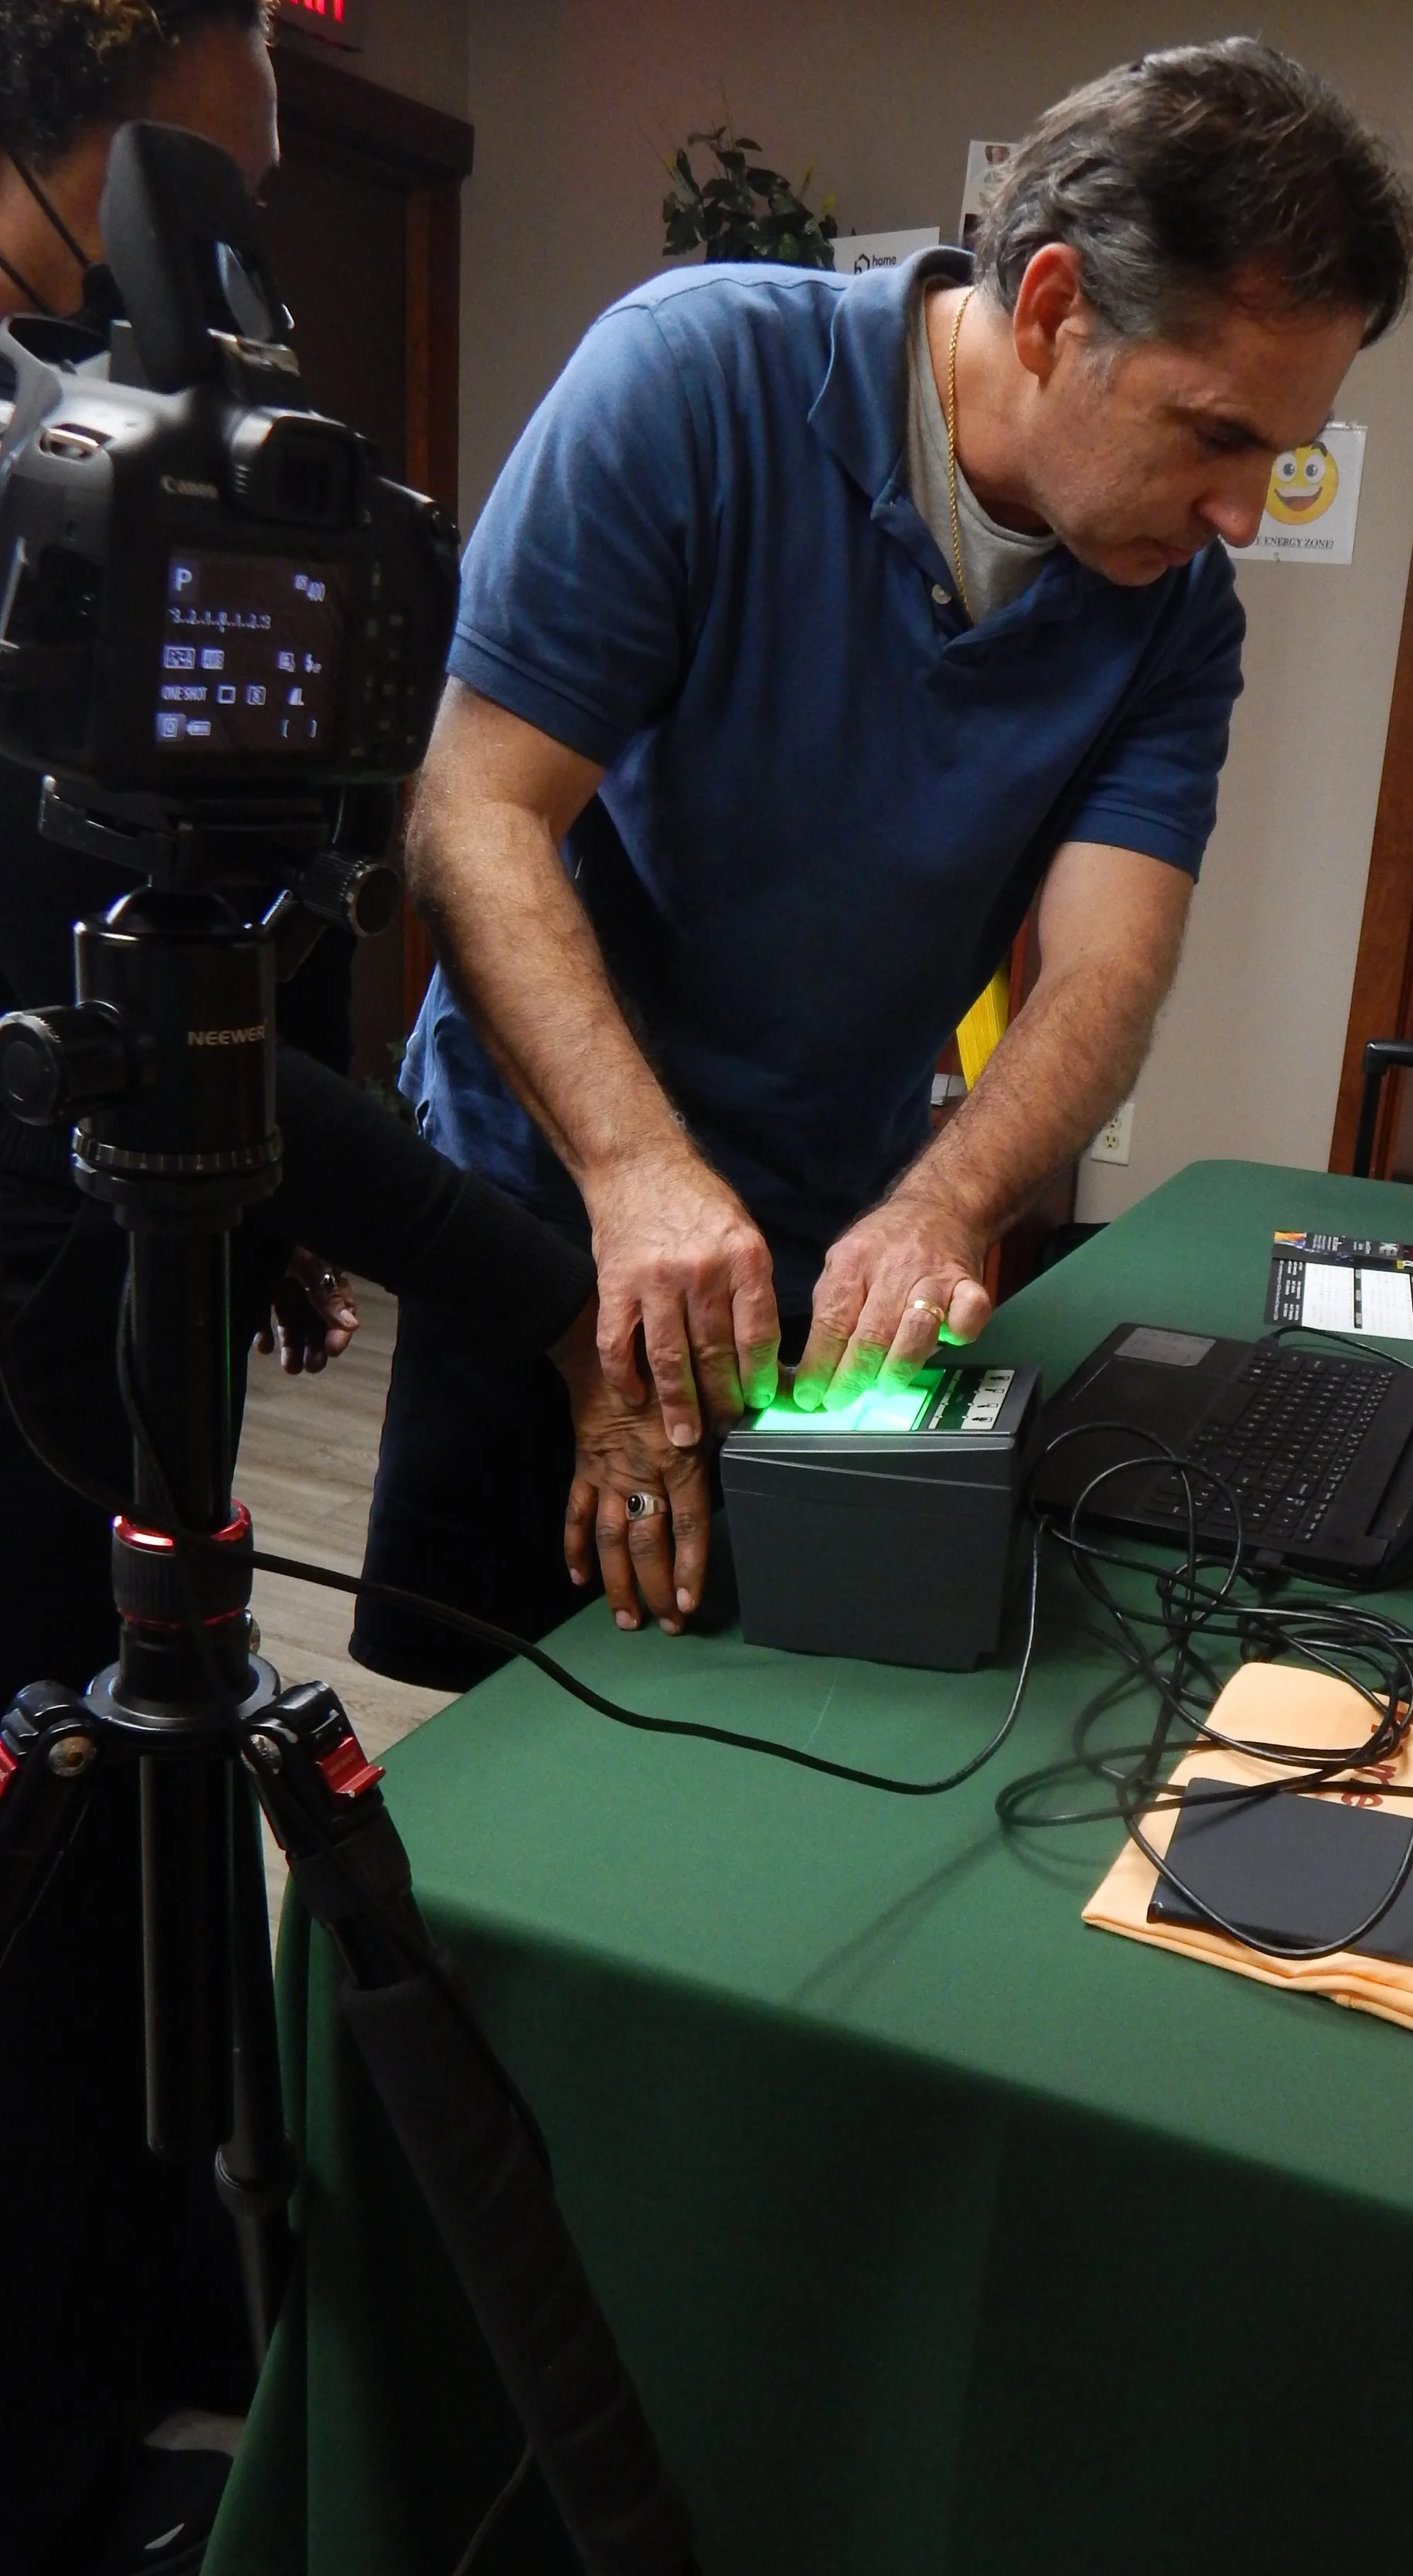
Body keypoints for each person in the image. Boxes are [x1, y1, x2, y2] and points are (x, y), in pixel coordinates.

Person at [358, 39, 1413, 1687]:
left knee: (766, 1689)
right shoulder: (690, 384)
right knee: (512, 1711)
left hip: (824, 1218)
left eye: (1277, 453)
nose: (1242, 514)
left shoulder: (1168, 617)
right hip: (549, 1194)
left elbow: (1104, 967)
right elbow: (476, 813)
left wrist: (942, 1202)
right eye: (1215, 433)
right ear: (1055, 307)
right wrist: (634, 1179)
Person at [0, 13, 669, 2566]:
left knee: (134, 1881)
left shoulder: (126, 447)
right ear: (115, 104)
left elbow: (219, 937)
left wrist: (260, 1193)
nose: (258, 194)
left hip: (125, 1300)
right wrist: (552, 1286)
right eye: (243, 121)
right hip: (38, 1298)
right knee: (64, 1874)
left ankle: (185, 2344)